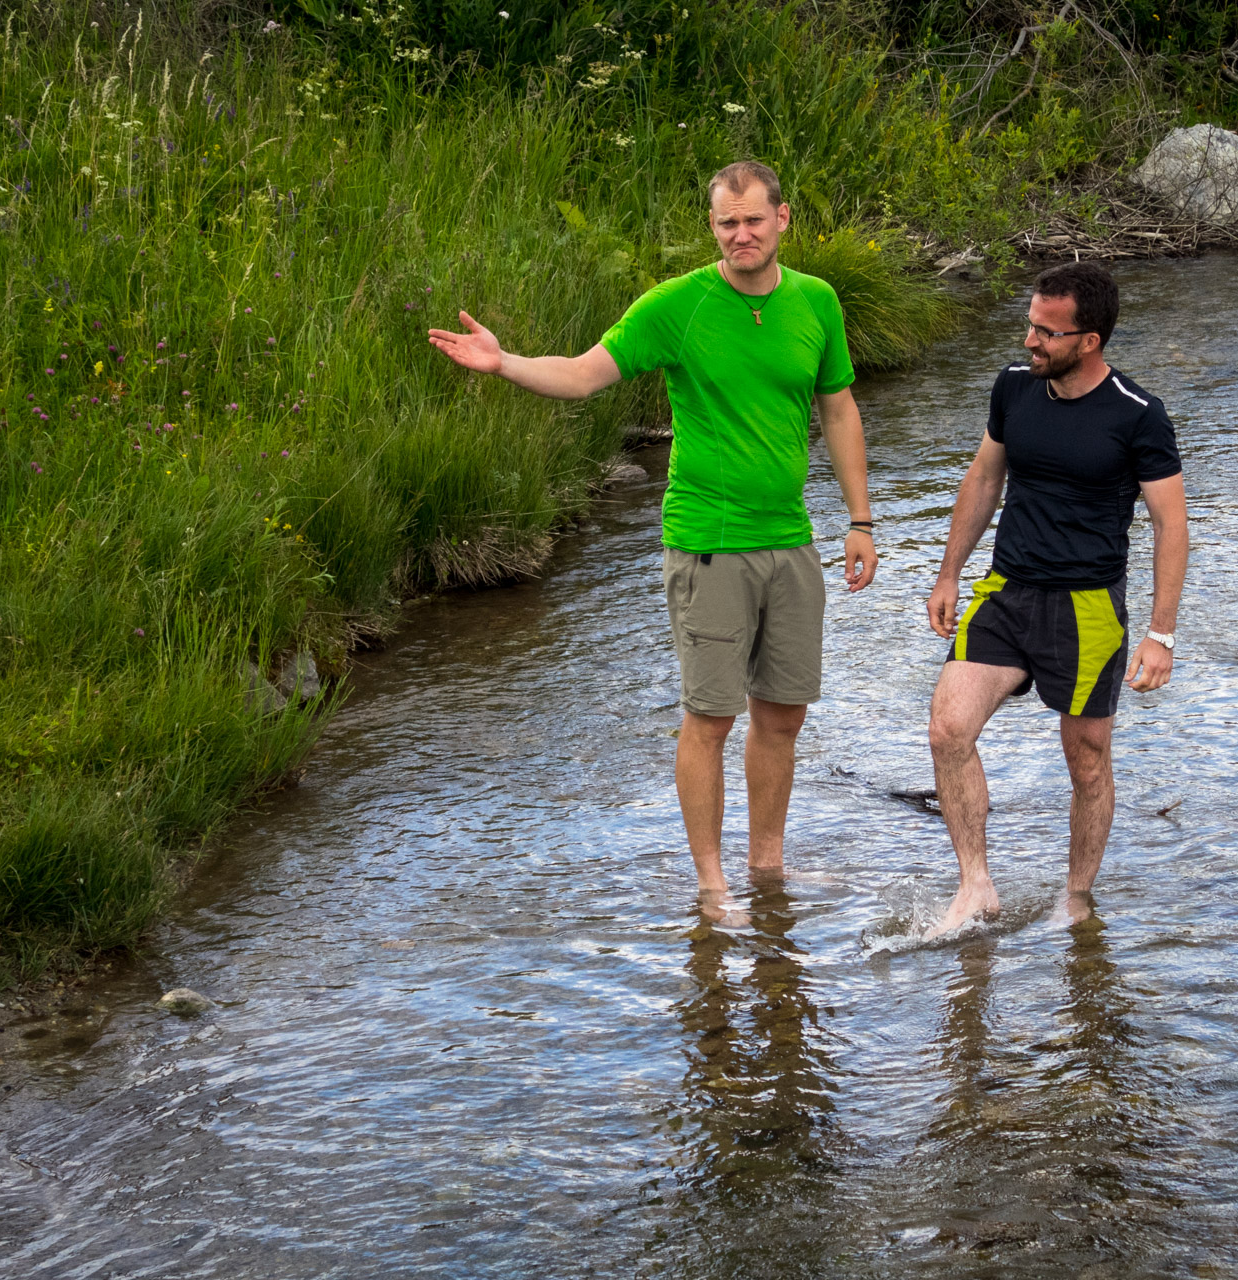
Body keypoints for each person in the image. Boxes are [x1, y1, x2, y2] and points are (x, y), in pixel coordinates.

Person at [428, 161, 876, 909]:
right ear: (714, 228)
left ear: (783, 220)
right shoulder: (677, 306)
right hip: (707, 541)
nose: (741, 234)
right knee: (711, 717)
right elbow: (581, 375)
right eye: (727, 223)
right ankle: (712, 885)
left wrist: (860, 520)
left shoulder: (817, 302)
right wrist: (502, 362)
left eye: (753, 220)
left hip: (792, 539)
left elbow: (838, 410)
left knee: (783, 714)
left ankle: (767, 866)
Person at [924, 261, 1188, 932]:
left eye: (1047, 331)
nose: (1030, 341)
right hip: (1007, 590)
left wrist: (1161, 635)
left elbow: (1171, 525)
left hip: (1086, 606)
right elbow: (984, 480)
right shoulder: (1014, 389)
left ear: (1089, 339)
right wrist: (950, 572)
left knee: (1088, 758)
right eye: (1030, 324)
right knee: (948, 728)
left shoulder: (1139, 417)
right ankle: (976, 884)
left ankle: (1076, 896)